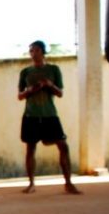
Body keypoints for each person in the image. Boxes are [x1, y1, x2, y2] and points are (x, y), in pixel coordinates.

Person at [18, 40, 80, 194]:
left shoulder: (54, 69)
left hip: (49, 115)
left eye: (37, 50)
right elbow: (20, 95)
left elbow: (60, 93)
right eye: (31, 50)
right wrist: (32, 89)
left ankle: (68, 183)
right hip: (31, 115)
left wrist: (49, 85)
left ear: (43, 52)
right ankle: (31, 183)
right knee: (30, 148)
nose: (34, 53)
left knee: (63, 146)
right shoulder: (25, 72)